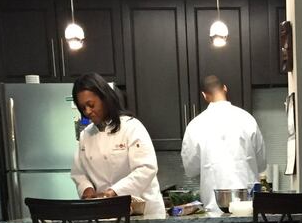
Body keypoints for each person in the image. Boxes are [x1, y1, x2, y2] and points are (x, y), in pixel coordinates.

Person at [70, 72, 165, 215]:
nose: (88, 111)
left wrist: (115, 191)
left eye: (91, 105)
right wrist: (86, 189)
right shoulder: (85, 135)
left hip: (143, 213)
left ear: (105, 99)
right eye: (83, 108)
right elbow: (79, 173)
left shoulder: (131, 127)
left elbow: (146, 168)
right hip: (106, 213)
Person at [181, 75, 266, 211]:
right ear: (225, 88)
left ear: (204, 95)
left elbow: (190, 169)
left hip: (215, 207)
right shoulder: (247, 119)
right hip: (248, 207)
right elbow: (261, 163)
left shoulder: (195, 126)